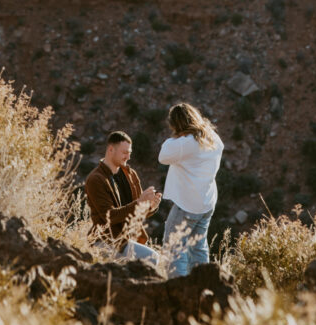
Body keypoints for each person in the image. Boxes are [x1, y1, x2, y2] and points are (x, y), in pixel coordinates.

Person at [159, 102, 223, 278]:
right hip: (207, 202)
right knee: (198, 247)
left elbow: (162, 156)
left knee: (174, 249)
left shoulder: (184, 143)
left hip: (187, 205)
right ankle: (203, 287)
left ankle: (178, 290)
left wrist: (176, 137)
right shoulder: (213, 138)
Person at [85, 130, 161, 266]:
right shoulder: (96, 179)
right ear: (110, 150)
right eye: (124, 152)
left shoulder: (131, 175)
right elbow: (110, 217)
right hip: (107, 240)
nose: (128, 157)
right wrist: (140, 202)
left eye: (129, 153)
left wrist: (150, 207)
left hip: (129, 239)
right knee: (152, 258)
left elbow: (136, 212)